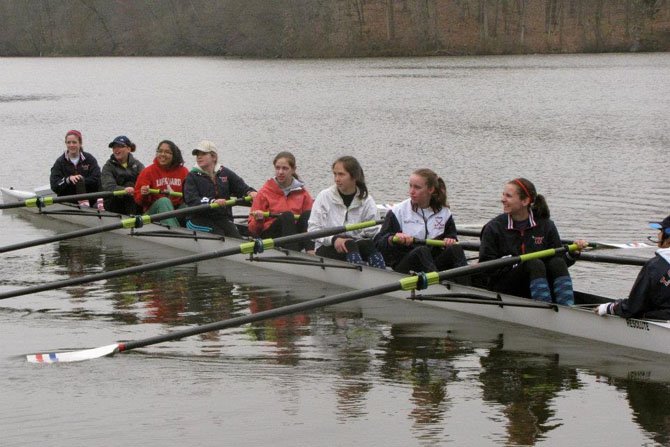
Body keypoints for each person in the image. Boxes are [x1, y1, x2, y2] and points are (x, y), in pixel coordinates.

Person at [478, 177, 587, 306]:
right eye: (503, 195)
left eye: (508, 196)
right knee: (533, 263)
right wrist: (511, 263)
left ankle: (567, 308)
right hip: (505, 287)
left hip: (536, 283)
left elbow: (559, 262)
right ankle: (543, 309)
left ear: (525, 201)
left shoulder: (546, 226)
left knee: (556, 262)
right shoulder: (494, 228)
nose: (502, 199)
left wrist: (572, 253)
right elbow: (485, 269)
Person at [374, 168, 468, 276]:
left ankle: (466, 286)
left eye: (417, 187)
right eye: (410, 186)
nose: (411, 192)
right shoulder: (398, 211)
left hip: (432, 263)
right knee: (421, 251)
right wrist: (392, 239)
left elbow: (452, 236)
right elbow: (377, 243)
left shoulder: (444, 213)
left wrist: (451, 240)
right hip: (404, 265)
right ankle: (438, 286)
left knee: (456, 249)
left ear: (431, 189)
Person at [307, 156, 385, 269]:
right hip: (327, 247)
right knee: (350, 244)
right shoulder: (324, 196)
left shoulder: (367, 200)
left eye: (341, 174)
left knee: (367, 245)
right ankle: (358, 273)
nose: (336, 179)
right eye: (335, 174)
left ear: (354, 177)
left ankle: (379, 273)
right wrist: (334, 239)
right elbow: (313, 229)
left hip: (355, 245)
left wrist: (354, 239)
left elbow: (373, 232)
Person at [596, 215, 670, 319]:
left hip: (660, 321)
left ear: (667, 237)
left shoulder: (654, 266)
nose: (658, 234)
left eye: (660, 231)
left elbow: (633, 307)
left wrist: (609, 308)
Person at [183, 140, 257, 238]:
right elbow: (192, 200)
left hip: (221, 218)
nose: (199, 157)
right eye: (197, 155)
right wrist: (212, 201)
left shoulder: (225, 173)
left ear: (213, 157)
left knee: (236, 238)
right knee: (219, 235)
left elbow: (242, 188)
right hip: (196, 219)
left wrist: (250, 192)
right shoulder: (192, 176)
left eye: (203, 154)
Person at [248, 151, 313, 251]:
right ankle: (293, 255)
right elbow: (252, 230)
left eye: (285, 168)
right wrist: (258, 220)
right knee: (287, 216)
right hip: (271, 237)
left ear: (293, 169)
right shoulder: (264, 192)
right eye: (277, 168)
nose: (280, 172)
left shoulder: (303, 193)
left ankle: (311, 252)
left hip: (295, 236)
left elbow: (313, 223)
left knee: (308, 215)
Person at [133, 140, 188, 228]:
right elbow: (138, 200)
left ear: (174, 155)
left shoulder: (184, 171)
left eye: (167, 152)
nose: (162, 154)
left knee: (191, 204)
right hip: (153, 215)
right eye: (160, 151)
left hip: (175, 212)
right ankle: (174, 235)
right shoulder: (148, 171)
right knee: (164, 201)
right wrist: (144, 194)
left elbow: (189, 196)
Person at [49, 129, 101, 207]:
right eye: (68, 142)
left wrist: (80, 180)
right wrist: (68, 180)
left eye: (74, 142)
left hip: (89, 203)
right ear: (66, 144)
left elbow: (97, 179)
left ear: (80, 143)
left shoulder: (89, 159)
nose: (71, 145)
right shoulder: (60, 162)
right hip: (67, 204)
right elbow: (54, 186)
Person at [101, 135, 145, 215]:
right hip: (114, 204)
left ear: (128, 149)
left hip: (134, 201)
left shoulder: (138, 165)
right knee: (129, 186)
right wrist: (124, 190)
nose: (116, 150)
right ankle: (133, 219)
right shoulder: (108, 166)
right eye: (114, 147)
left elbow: (145, 182)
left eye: (120, 146)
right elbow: (108, 187)